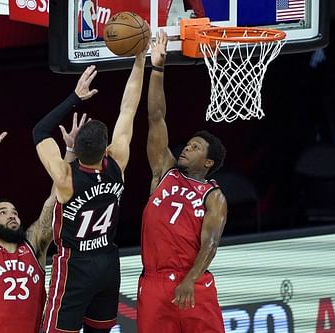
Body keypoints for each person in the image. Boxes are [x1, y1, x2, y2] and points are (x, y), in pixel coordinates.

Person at [32, 51, 146, 333]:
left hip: (75, 266)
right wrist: (141, 61)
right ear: (106, 147)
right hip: (107, 262)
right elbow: (128, 109)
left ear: (75, 149)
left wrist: (75, 97)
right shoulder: (117, 162)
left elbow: (40, 131)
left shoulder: (65, 176)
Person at [137, 30, 227, 333]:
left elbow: (211, 243)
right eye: (188, 144)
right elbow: (156, 117)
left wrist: (190, 279)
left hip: (194, 280)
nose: (187, 148)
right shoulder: (165, 171)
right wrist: (158, 67)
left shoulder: (213, 196)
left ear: (209, 162)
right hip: (154, 283)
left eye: (196, 147)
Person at [0, 112, 84, 333]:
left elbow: (55, 200)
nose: (12, 215)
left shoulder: (34, 246)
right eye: (2, 212)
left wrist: (69, 153)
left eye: (14, 212)